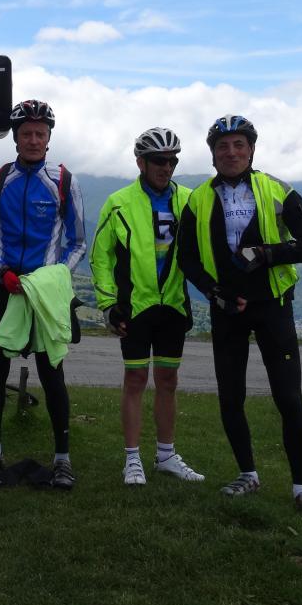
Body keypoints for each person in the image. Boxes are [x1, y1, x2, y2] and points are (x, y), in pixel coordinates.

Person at [176, 115, 302, 520]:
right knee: (231, 397)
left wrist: (269, 253)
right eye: (222, 146)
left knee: (288, 398)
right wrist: (214, 293)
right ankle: (247, 474)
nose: (231, 153)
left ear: (251, 149)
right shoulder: (197, 199)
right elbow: (187, 259)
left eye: (238, 145)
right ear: (212, 153)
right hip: (226, 310)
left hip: (273, 305)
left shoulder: (276, 189)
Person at [0, 99, 86, 490]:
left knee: (52, 375)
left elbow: (78, 243)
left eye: (40, 133)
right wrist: (1, 273)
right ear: (16, 137)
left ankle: (63, 460)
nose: (33, 139)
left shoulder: (64, 182)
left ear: (49, 137)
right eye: (26, 133)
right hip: (2, 288)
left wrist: (53, 279)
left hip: (44, 293)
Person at [90, 127, 204, 487]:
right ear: (141, 162)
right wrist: (109, 304)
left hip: (172, 304)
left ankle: (167, 456)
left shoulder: (190, 200)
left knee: (168, 381)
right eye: (158, 161)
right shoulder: (119, 202)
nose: (166, 167)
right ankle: (132, 459)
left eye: (172, 161)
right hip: (136, 307)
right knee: (136, 379)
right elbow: (101, 257)